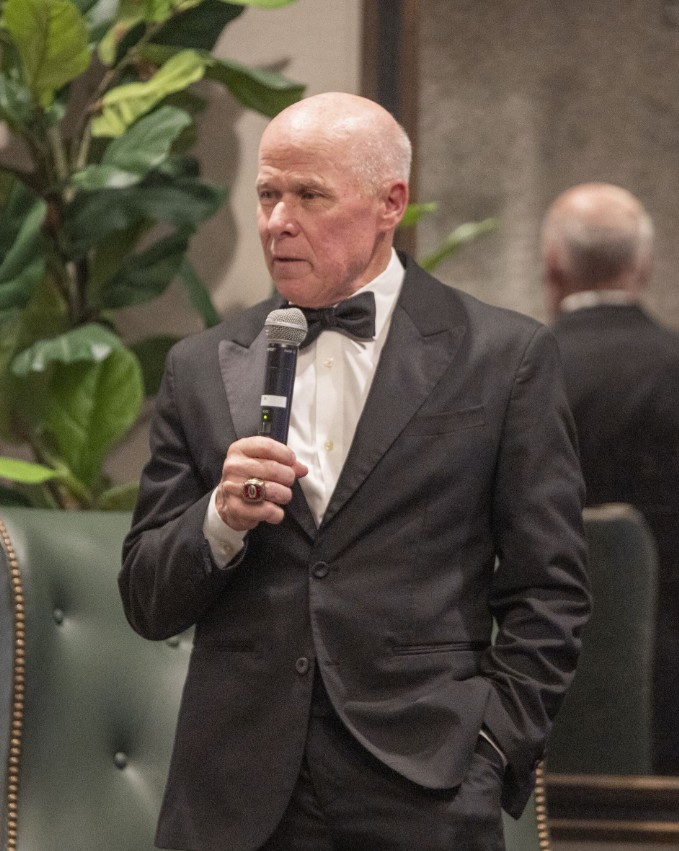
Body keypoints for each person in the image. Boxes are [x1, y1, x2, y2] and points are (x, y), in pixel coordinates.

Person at [119, 92, 591, 851]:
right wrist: (219, 518)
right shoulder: (201, 366)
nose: (278, 220)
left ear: (388, 204)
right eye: (268, 194)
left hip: (425, 785)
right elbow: (145, 595)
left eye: (309, 195)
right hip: (232, 795)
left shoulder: (502, 357)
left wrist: (493, 749)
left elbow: (549, 588)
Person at [541, 181, 679, 775]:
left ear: (552, 267)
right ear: (643, 266)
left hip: (534, 687)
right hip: (667, 690)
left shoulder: (511, 375)